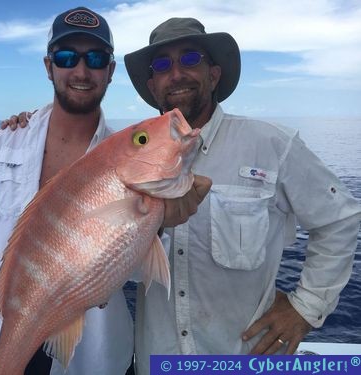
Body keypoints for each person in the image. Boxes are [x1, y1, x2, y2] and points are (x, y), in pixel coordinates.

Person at [0, 7, 211, 375]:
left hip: (95, 357)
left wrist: (158, 222)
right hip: (8, 333)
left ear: (110, 71)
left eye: (96, 59)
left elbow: (131, 275)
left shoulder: (121, 155)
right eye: (67, 58)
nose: (81, 71)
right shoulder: (7, 141)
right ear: (49, 66)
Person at [121, 17, 361, 375]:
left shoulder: (272, 144)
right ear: (153, 85)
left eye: (190, 59)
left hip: (245, 361)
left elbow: (340, 218)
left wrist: (305, 308)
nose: (176, 74)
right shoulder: (128, 159)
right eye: (161, 65)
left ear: (214, 74)